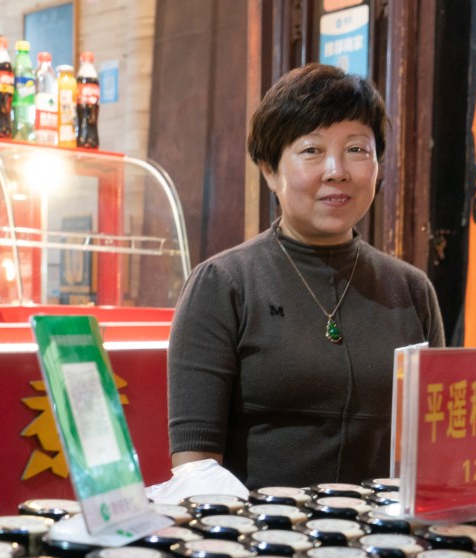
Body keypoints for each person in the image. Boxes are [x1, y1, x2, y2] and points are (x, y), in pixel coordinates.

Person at [166, 63, 446, 490]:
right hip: (262, 543)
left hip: (385, 545)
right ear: (270, 170)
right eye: (312, 150)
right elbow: (195, 466)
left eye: (357, 149)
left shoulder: (412, 291)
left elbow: (434, 447)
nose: (337, 170)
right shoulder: (222, 284)